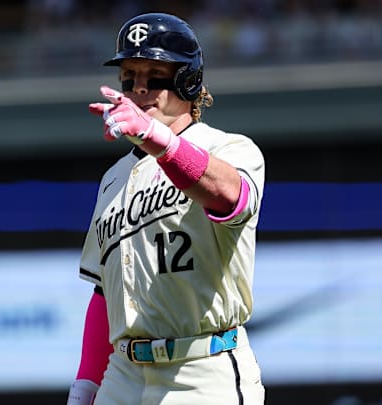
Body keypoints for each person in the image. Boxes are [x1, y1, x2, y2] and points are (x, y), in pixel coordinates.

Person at [67, 12, 266, 405]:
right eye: (130, 76)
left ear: (187, 81)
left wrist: (159, 141)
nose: (140, 88)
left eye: (154, 75)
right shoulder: (113, 178)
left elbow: (231, 196)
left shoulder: (229, 148)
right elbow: (104, 293)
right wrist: (86, 384)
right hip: (123, 375)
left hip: (202, 367)